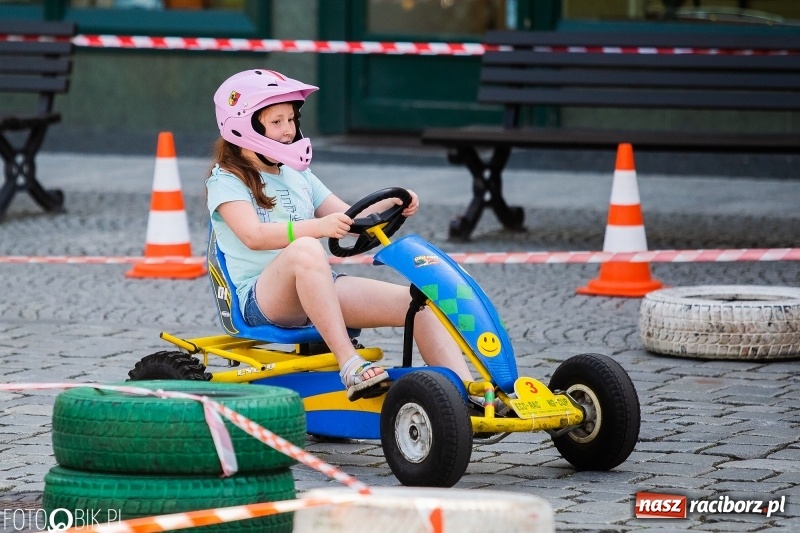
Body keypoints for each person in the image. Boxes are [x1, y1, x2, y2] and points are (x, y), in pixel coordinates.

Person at [207, 69, 473, 401]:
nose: (289, 129)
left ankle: (469, 395)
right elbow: (254, 236)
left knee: (418, 305)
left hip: (317, 285)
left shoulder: (298, 174)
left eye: (291, 119)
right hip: (262, 299)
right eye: (276, 122)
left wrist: (393, 200)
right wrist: (316, 228)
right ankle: (350, 364)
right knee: (306, 248)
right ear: (244, 126)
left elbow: (348, 215)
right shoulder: (226, 181)